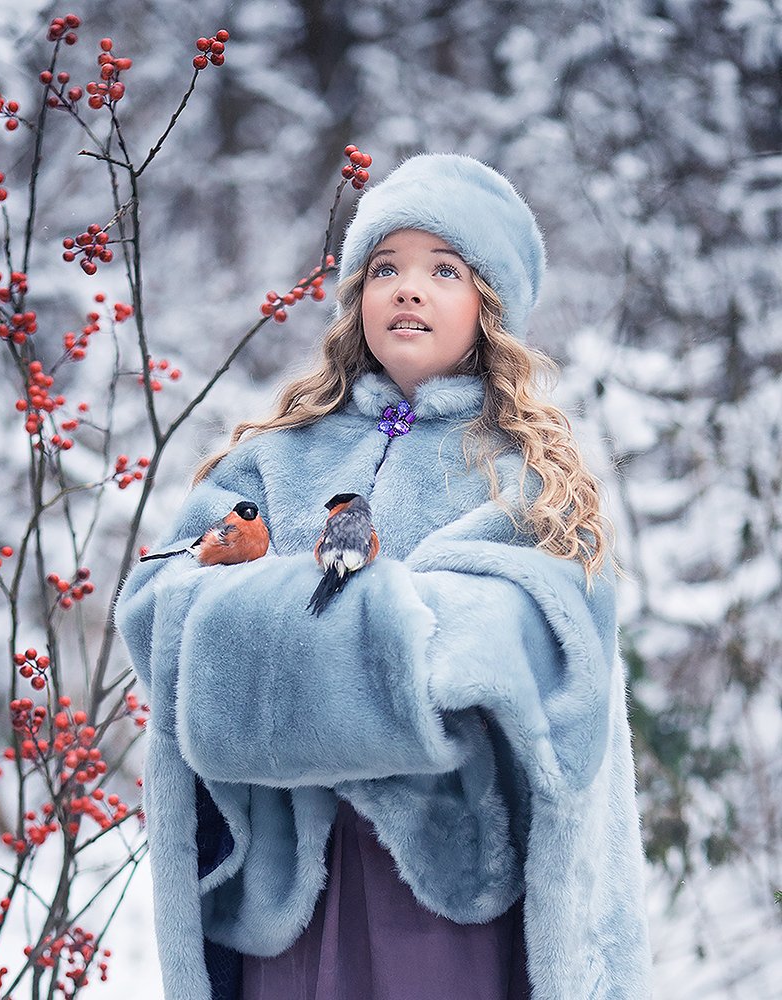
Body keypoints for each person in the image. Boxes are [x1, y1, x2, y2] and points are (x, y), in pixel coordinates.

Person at [114, 153, 653, 1000]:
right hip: (293, 874)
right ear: (356, 297)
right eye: (386, 268)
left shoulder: (526, 471)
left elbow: (541, 640)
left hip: (445, 876)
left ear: (488, 309)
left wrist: (283, 650)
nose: (409, 288)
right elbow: (160, 609)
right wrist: (391, 648)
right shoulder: (275, 456)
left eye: (444, 270)